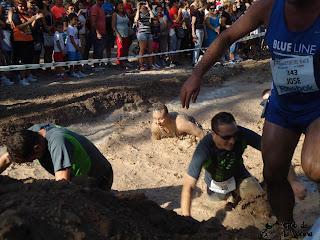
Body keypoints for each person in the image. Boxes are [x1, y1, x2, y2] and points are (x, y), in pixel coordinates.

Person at [180, 0, 320, 226]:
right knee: (273, 174)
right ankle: (287, 229)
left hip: (316, 105)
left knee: (314, 166)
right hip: (282, 104)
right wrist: (197, 73)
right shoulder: (268, 6)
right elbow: (226, 37)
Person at [181, 112, 307, 217]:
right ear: (214, 134)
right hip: (217, 184)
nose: (232, 141)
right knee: (218, 198)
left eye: (234, 135)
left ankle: (245, 190)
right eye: (226, 137)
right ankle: (235, 195)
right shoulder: (204, 148)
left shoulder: (241, 134)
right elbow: (188, 185)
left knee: (260, 203)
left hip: (239, 175)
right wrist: (187, 218)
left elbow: (276, 152)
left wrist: (294, 181)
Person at [0, 123, 113, 191]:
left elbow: (62, 184)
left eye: (30, 160)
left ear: (37, 148)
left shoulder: (58, 142)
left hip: (98, 176)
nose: (30, 162)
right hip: (77, 173)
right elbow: (6, 158)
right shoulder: (31, 135)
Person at [134, 0, 154, 71]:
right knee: (142, 50)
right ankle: (141, 65)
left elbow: (152, 17)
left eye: (144, 6)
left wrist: (149, 8)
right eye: (142, 6)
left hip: (149, 33)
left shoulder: (148, 12)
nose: (143, 7)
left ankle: (150, 65)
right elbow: (136, 19)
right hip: (142, 33)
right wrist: (138, 10)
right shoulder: (138, 13)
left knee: (150, 50)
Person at [66, 12, 86, 78]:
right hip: (71, 47)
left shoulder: (75, 27)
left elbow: (77, 37)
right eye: (75, 20)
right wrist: (76, 46)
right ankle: (72, 72)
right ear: (70, 20)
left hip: (76, 46)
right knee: (72, 60)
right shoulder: (70, 28)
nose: (76, 21)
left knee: (78, 59)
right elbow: (71, 39)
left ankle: (78, 71)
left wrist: (79, 46)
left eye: (77, 20)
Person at [112, 1, 130, 67]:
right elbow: (113, 26)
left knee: (125, 48)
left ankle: (124, 62)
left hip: (126, 34)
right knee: (120, 49)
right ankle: (119, 63)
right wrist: (118, 35)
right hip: (119, 34)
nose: (121, 7)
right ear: (116, 7)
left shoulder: (125, 14)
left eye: (122, 5)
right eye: (119, 5)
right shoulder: (115, 14)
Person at [190, 0, 205, 66]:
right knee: (197, 46)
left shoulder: (202, 12)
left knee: (200, 46)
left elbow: (203, 23)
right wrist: (193, 33)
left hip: (202, 29)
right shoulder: (195, 12)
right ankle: (194, 62)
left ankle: (197, 61)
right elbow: (193, 23)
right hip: (197, 30)